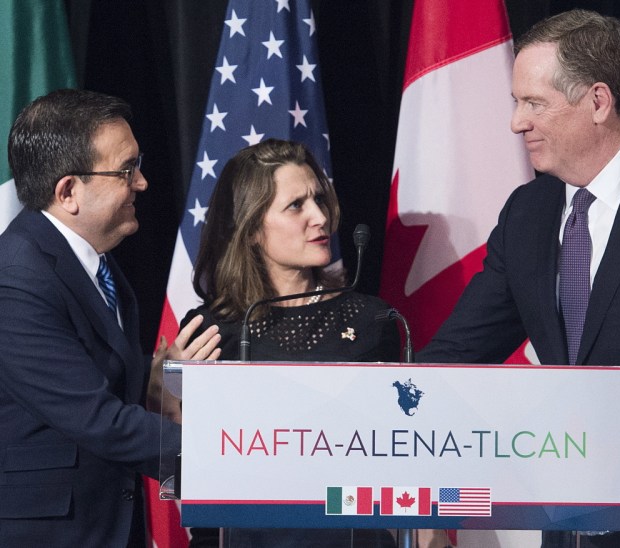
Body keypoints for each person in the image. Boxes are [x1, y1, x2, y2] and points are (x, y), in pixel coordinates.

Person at [418, 9, 620, 548]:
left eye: (534, 103)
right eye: (516, 102)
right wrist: (367, 395)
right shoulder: (527, 213)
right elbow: (459, 350)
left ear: (598, 101)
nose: (516, 122)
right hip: (571, 514)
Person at [0, 89, 221, 547]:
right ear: (68, 192)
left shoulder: (96, 262)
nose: (141, 182)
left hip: (107, 524)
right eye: (126, 170)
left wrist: (152, 381)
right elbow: (95, 417)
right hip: (50, 534)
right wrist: (235, 449)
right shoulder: (16, 277)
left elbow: (99, 374)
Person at [179, 138, 400, 548]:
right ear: (250, 230)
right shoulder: (211, 331)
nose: (320, 217)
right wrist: (166, 398)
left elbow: (406, 447)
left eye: (319, 199)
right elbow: (189, 459)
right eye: (296, 205)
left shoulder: (373, 320)